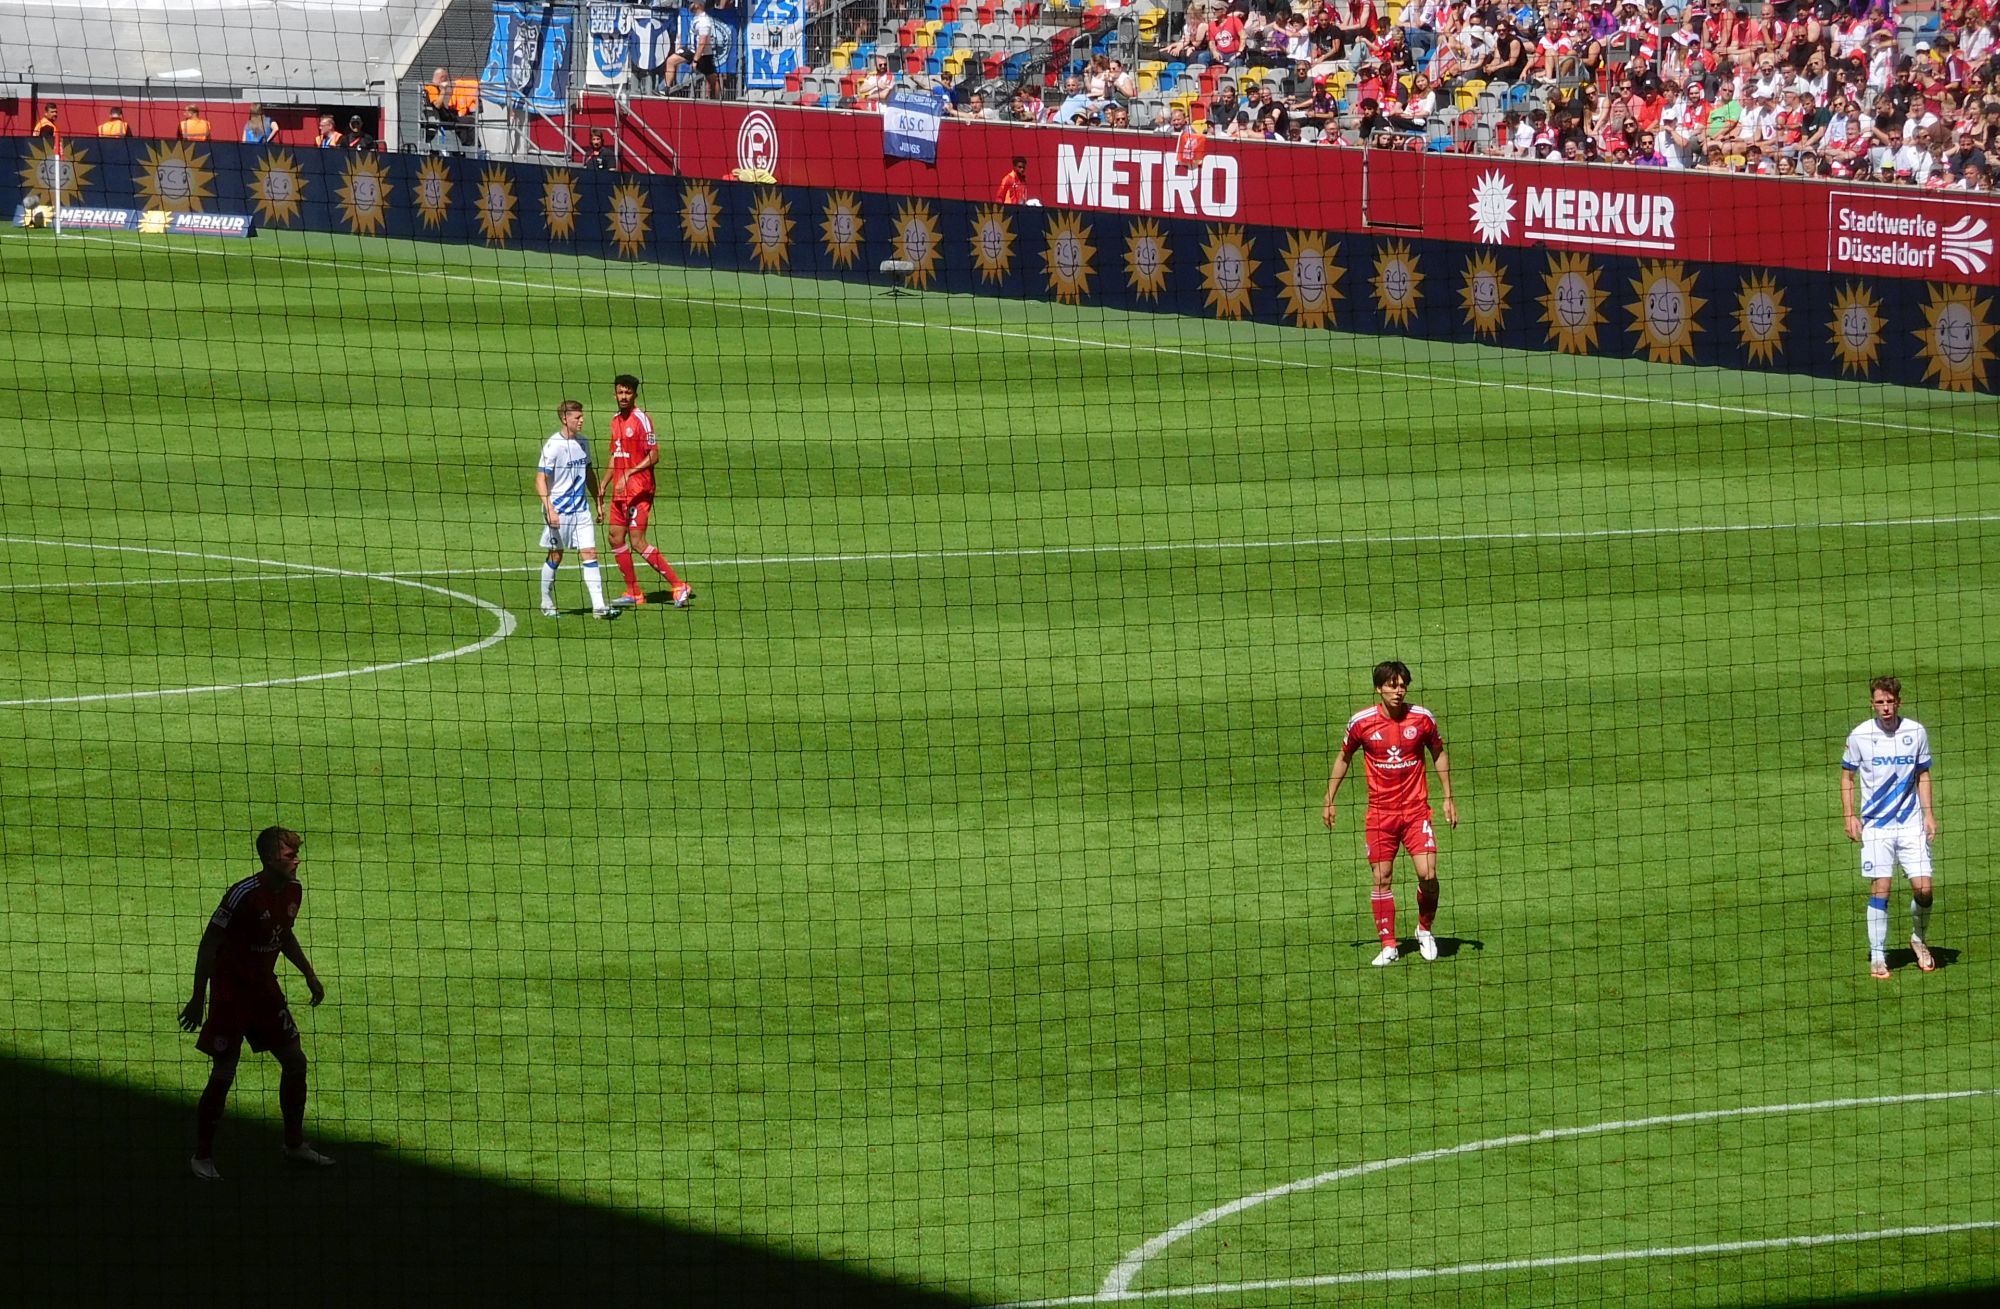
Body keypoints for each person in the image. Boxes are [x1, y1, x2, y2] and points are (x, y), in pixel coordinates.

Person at [178, 826, 334, 1180]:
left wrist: (309, 973)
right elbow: (209, 944)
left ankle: (295, 1145)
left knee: (295, 1062)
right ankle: (202, 1156)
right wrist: (197, 997)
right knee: (225, 1071)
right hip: (231, 993)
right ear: (268, 859)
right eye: (290, 855)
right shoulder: (243, 895)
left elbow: (283, 933)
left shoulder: (294, 890)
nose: (297, 861)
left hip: (264, 990)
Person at [1322, 660, 1458, 967]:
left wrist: (1448, 797)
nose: (1398, 691)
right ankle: (1388, 944)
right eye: (1391, 685)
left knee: (1428, 874)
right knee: (1382, 878)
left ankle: (1424, 930)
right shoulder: (1361, 723)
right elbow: (1344, 757)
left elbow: (1438, 753)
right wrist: (1330, 797)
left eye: (1402, 685)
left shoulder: (1422, 719)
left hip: (1415, 812)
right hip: (1380, 816)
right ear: (1378, 688)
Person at [1841, 677, 1939, 980]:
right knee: (1880, 887)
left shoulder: (1915, 731)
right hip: (1876, 827)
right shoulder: (1860, 735)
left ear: (1899, 702)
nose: (1885, 707)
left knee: (1924, 889)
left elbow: (1923, 775)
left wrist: (1929, 814)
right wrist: (1849, 816)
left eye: (1890, 702)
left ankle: (1918, 939)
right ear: (1872, 703)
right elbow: (1847, 778)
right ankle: (1879, 955)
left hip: (1910, 824)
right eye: (1879, 702)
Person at [602, 374, 694, 607]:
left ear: (635, 394)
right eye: (620, 392)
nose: (623, 396)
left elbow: (654, 455)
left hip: (640, 490)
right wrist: (604, 484)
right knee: (614, 537)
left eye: (628, 393)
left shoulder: (642, 420)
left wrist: (629, 473)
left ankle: (679, 585)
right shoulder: (615, 420)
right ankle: (633, 592)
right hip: (620, 491)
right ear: (614, 394)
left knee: (638, 541)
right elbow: (615, 454)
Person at [537, 400, 620, 619]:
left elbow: (589, 474)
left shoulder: (583, 442)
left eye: (582, 416)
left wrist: (598, 501)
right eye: (577, 417)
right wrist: (549, 509)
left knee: (590, 553)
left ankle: (599, 607)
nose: (582, 420)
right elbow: (540, 480)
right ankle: (546, 602)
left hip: (581, 510)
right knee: (556, 555)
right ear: (565, 419)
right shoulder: (553, 445)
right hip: (558, 510)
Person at [664, 0, 725, 99]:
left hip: (703, 54)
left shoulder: (704, 21)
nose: (690, 5)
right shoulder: (696, 18)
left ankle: (718, 100)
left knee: (712, 80)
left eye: (692, 2)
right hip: (691, 50)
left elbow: (702, 43)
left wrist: (696, 60)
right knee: (671, 61)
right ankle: (666, 90)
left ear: (698, 5)